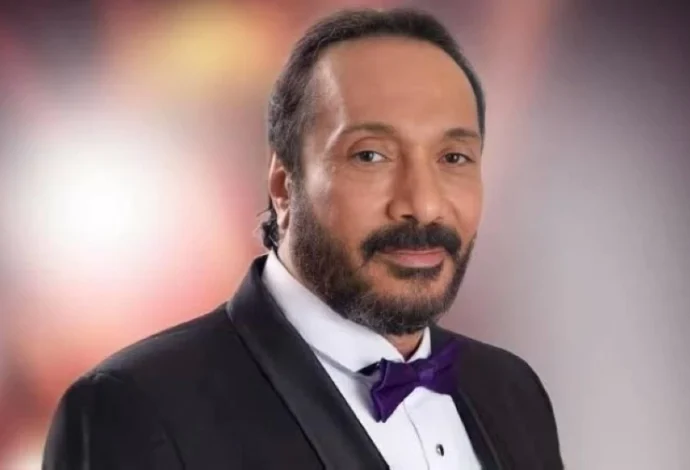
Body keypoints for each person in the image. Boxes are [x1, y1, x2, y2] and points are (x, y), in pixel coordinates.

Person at [43, 8, 564, 469]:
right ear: (283, 186)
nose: (424, 204)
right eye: (370, 155)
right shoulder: (134, 409)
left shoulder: (513, 391)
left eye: (453, 157)